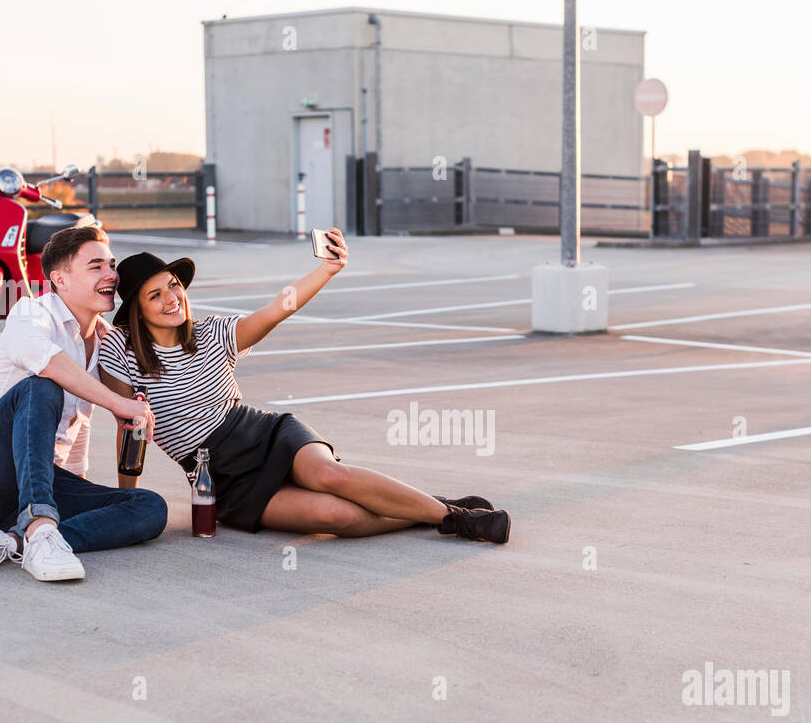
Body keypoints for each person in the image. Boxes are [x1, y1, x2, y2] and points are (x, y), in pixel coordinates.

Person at [96, 229, 510, 543]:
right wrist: (126, 498)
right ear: (136, 310)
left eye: (174, 285)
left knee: (331, 476)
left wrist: (327, 268)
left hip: (262, 433)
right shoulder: (120, 350)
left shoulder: (212, 333)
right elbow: (128, 428)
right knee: (337, 518)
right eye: (155, 295)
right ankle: (431, 505)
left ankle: (455, 520)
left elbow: (279, 308)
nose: (172, 298)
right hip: (217, 475)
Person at [0, 226, 167, 581]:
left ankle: (14, 542)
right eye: (96, 267)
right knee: (42, 387)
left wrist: (90, 492)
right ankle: (41, 528)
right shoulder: (30, 312)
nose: (112, 274)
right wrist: (118, 404)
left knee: (149, 506)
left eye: (111, 265)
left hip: (36, 483)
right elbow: (48, 362)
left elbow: (80, 426)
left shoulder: (105, 340)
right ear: (60, 279)